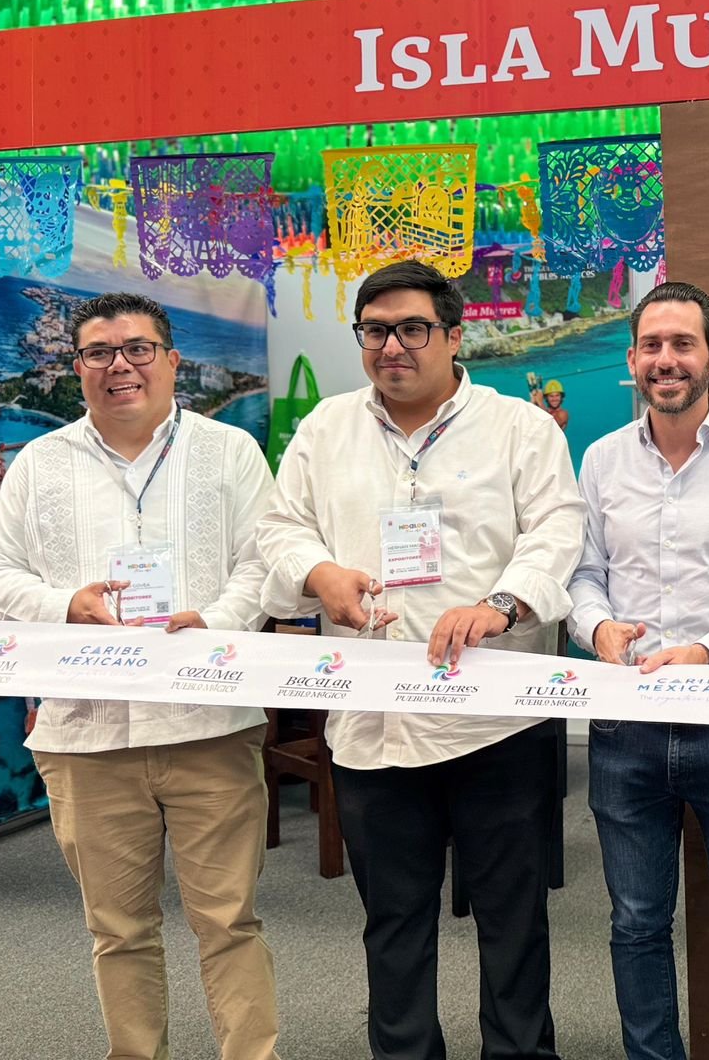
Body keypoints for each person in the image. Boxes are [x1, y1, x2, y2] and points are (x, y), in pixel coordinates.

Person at [257, 260, 585, 1060]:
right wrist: (320, 573)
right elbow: (278, 527)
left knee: (512, 919)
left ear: (453, 335)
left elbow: (557, 532)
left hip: (494, 721)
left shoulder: (519, 428)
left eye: (412, 329)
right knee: (393, 921)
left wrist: (501, 603)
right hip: (372, 724)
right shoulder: (325, 430)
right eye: (375, 331)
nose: (392, 346)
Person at [0, 291, 279, 1060]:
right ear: (77, 369)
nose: (119, 366)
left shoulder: (227, 451)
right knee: (118, 931)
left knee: (229, 923)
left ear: (174, 362)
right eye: (98, 353)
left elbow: (265, 561)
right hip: (87, 732)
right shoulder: (41, 462)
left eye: (138, 349)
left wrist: (218, 622)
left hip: (208, 724)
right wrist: (61, 604)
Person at [567, 282, 709, 1060]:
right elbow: (582, 575)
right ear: (632, 361)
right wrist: (596, 627)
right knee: (634, 921)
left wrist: (705, 651)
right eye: (653, 346)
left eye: (684, 344)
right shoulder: (600, 460)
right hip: (626, 727)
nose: (667, 360)